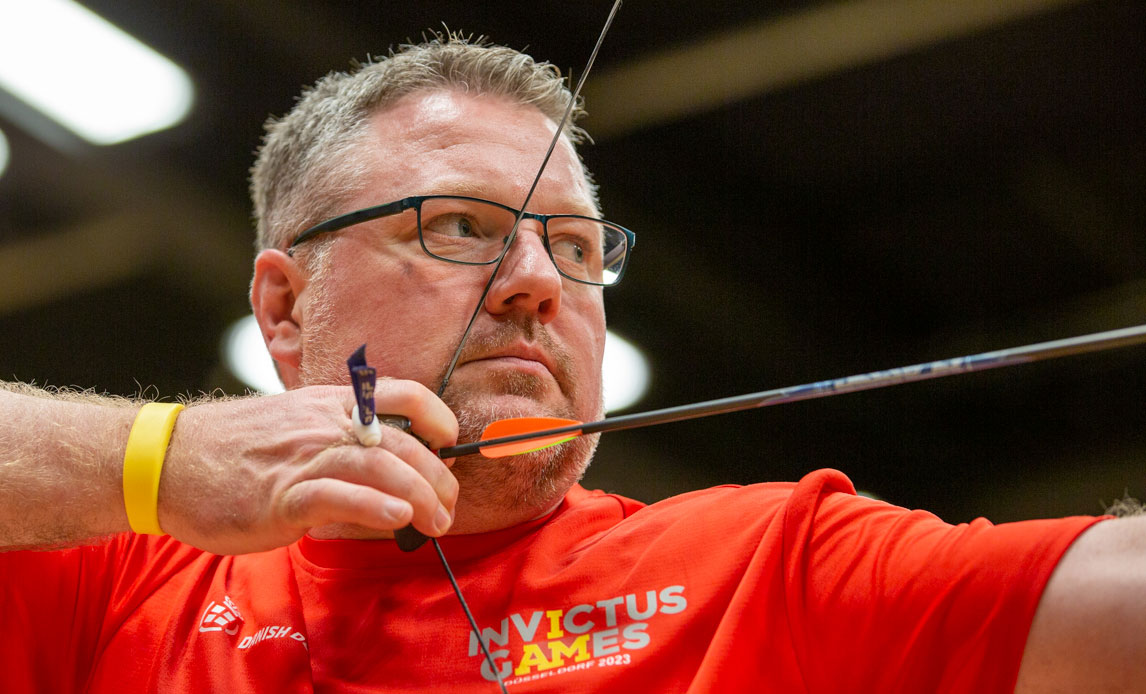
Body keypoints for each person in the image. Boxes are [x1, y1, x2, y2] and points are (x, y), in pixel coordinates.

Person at [1, 34, 1144, 693]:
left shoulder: (774, 567)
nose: (538, 279)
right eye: (458, 227)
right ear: (286, 306)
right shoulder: (130, 576)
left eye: (580, 247)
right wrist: (159, 455)